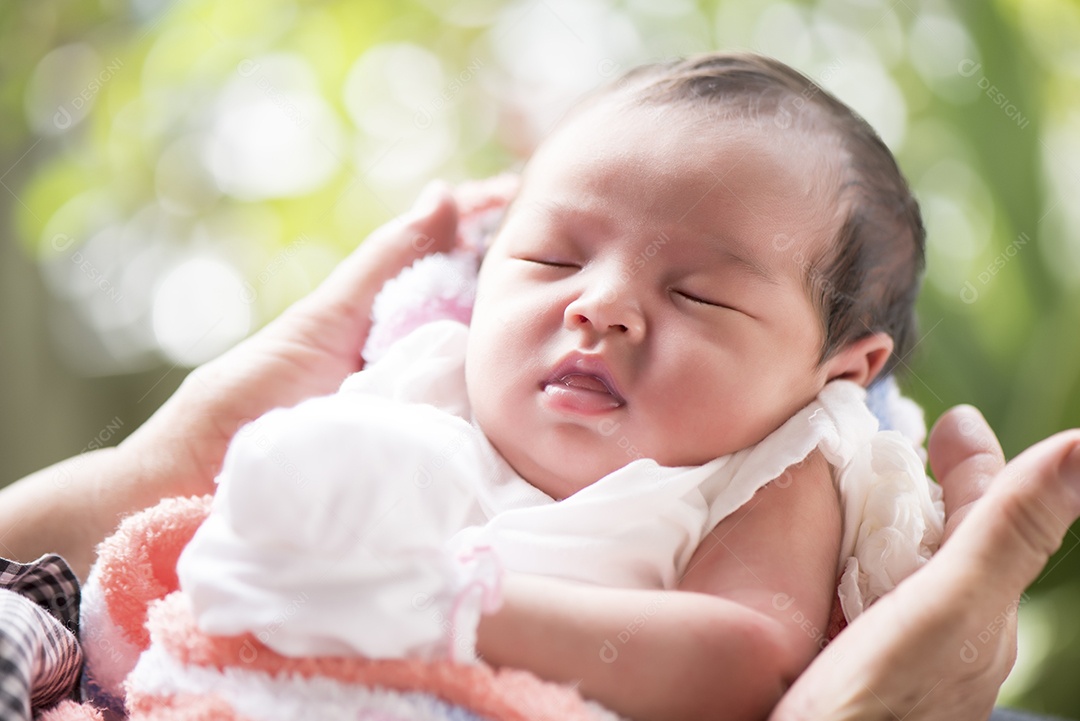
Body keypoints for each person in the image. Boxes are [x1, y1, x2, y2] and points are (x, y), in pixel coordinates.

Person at [0, 53, 1077, 721]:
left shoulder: (775, 462)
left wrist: (447, 606)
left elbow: (742, 657)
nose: (599, 306)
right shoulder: (423, 371)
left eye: (699, 294)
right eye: (554, 259)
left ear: (839, 369)